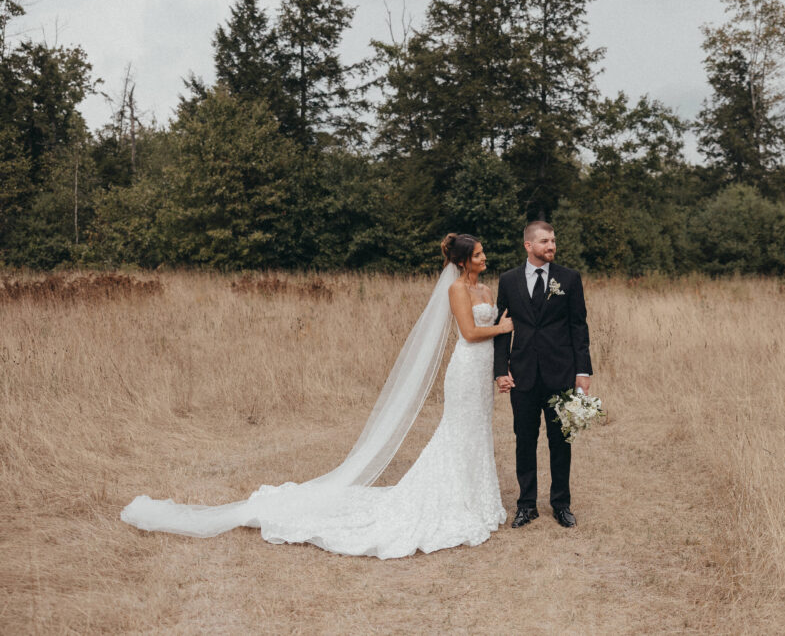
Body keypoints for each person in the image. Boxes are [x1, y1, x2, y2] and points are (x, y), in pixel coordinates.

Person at [120, 234, 512, 558]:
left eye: (483, 253)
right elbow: (469, 334)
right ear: (463, 262)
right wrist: (502, 327)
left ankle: (475, 499)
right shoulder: (458, 290)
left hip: (482, 373)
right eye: (478, 254)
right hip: (464, 369)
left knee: (477, 432)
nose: (484, 258)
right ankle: (449, 500)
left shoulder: (486, 288)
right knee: (457, 431)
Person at [493, 221, 593, 529]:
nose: (551, 246)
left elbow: (579, 325)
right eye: (545, 241)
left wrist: (582, 370)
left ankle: (561, 504)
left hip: (560, 372)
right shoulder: (508, 280)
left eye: (553, 240)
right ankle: (526, 505)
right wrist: (500, 371)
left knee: (560, 440)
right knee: (524, 439)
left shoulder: (569, 278)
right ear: (528, 246)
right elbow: (501, 328)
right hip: (522, 373)